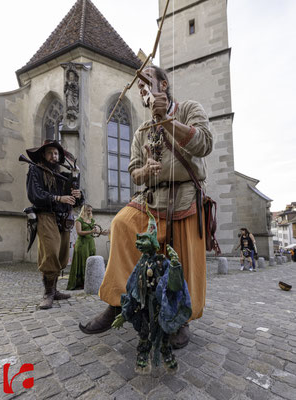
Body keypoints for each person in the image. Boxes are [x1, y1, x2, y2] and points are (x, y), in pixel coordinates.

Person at [79, 65, 213, 349]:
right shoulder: (141, 131)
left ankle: (180, 318)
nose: (142, 90)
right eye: (139, 87)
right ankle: (119, 302)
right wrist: (145, 172)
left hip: (186, 194)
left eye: (146, 83)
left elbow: (204, 143)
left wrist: (166, 120)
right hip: (151, 197)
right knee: (121, 224)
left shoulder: (189, 109)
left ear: (163, 85)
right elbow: (134, 171)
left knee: (183, 260)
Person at [26, 139, 84, 309]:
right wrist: (58, 198)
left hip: (64, 218)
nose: (54, 156)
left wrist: (78, 195)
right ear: (43, 154)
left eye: (57, 153)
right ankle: (48, 293)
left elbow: (75, 202)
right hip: (46, 215)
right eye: (50, 152)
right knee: (50, 252)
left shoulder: (64, 176)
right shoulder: (35, 170)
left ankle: (55, 290)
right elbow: (34, 194)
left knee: (62, 255)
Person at [66, 204, 98, 290]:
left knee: (91, 261)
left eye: (91, 211)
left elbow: (94, 231)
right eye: (88, 211)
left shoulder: (91, 220)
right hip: (82, 244)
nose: (90, 212)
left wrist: (100, 232)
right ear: (84, 211)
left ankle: (91, 281)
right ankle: (81, 283)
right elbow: (79, 232)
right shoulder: (79, 220)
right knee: (83, 262)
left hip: (90, 243)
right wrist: (91, 231)